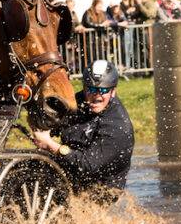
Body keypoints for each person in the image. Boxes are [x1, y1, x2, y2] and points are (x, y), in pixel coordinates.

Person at [31, 59, 134, 204]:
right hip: (68, 172)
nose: (96, 96)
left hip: (98, 191)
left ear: (113, 91)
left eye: (103, 90)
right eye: (91, 89)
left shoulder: (118, 127)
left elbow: (87, 165)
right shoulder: (79, 101)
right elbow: (53, 116)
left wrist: (50, 145)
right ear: (84, 88)